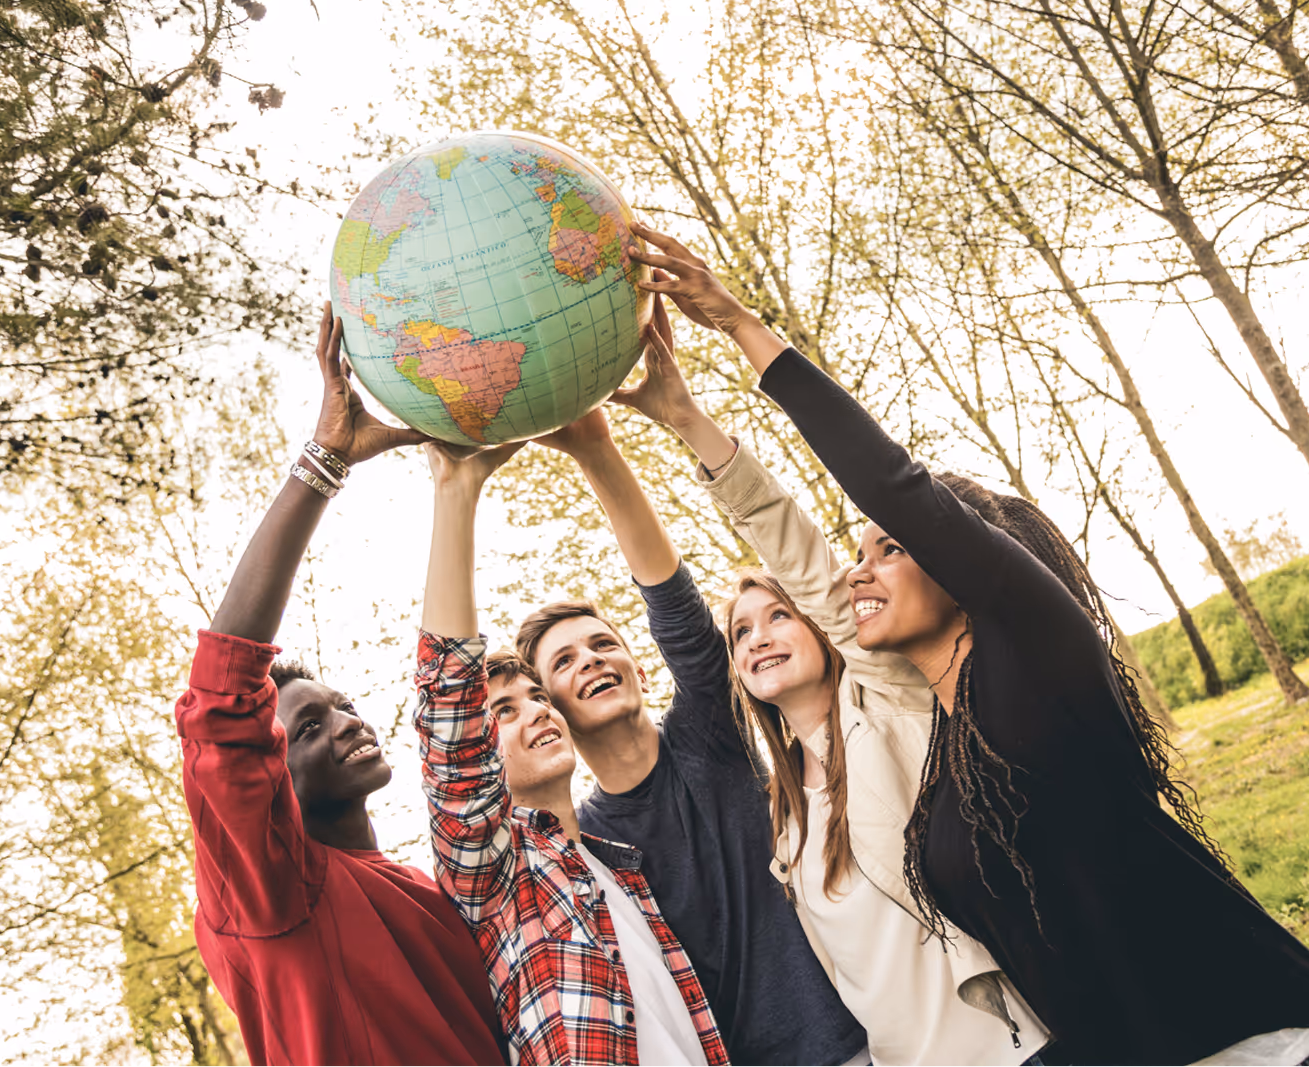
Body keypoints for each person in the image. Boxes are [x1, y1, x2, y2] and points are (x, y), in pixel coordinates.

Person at [624, 223, 1309, 1067]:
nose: (856, 574)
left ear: (957, 563)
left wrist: (738, 322)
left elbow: (892, 482)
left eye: (891, 548)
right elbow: (801, 560)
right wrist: (684, 420)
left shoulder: (1040, 662)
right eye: (859, 555)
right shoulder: (942, 740)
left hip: (1265, 1042)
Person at [604, 304, 1050, 1067]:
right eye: (741, 631)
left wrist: (685, 420)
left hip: (1018, 1050)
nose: (758, 637)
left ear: (820, 627)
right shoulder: (784, 810)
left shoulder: (889, 705)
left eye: (779, 615)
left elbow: (799, 550)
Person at [515, 297, 872, 1067]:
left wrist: (598, 453)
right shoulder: (592, 846)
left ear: (638, 665)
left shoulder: (707, 730)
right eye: (566, 663)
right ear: (554, 710)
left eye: (603, 643)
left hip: (876, 1034)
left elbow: (672, 603)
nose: (593, 661)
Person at [172, 304, 506, 1067]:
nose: (347, 722)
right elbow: (225, 698)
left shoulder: (429, 892)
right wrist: (325, 461)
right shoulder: (269, 895)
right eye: (310, 727)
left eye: (343, 706)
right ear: (268, 774)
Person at [412, 434, 729, 1067]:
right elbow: (449, 711)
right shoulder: (498, 875)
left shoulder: (622, 870)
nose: (534, 711)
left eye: (536, 697)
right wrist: (456, 491)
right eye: (502, 711)